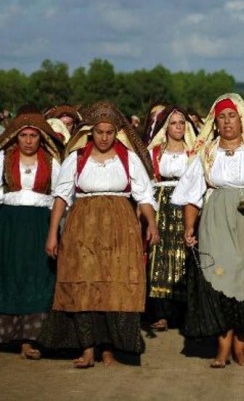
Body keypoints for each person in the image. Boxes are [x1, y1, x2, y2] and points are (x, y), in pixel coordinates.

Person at [171, 93, 244, 368]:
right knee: (220, 276)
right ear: (215, 122)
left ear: (242, 119)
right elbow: (191, 195)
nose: (227, 122)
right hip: (216, 219)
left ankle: (242, 345)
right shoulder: (206, 152)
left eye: (232, 116)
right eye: (221, 117)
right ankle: (223, 345)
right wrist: (189, 225)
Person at [39, 101, 159, 368]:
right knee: (84, 284)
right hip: (83, 225)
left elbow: (144, 195)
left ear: (117, 132)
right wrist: (52, 234)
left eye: (110, 132)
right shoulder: (77, 158)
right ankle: (88, 348)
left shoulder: (128, 158)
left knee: (114, 287)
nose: (104, 137)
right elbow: (61, 197)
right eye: (100, 132)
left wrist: (151, 224)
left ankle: (110, 349)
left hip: (121, 227)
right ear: (90, 131)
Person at [0, 112, 64, 360]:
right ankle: (8, 335)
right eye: (23, 136)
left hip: (40, 224)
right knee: (9, 274)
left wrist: (56, 230)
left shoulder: (51, 163)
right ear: (16, 138)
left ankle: (30, 339)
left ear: (41, 138)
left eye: (33, 136)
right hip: (9, 224)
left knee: (38, 276)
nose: (28, 141)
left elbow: (60, 195)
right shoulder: (4, 159)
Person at [146, 105, 198, 331]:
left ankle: (186, 313)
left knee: (185, 256)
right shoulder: (154, 152)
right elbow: (146, 182)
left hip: (186, 204)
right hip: (161, 205)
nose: (179, 127)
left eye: (182, 123)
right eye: (174, 123)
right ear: (166, 127)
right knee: (160, 257)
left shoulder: (194, 152)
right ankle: (161, 313)